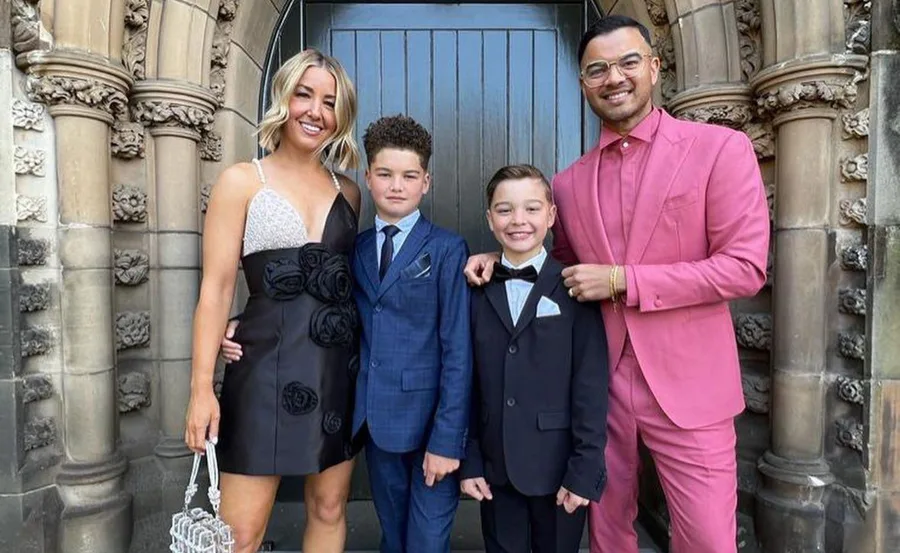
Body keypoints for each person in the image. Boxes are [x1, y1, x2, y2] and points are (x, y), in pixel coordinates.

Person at [464, 16, 770, 553]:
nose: (615, 78)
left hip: (689, 387)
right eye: (597, 69)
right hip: (596, 391)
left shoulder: (719, 149)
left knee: (707, 540)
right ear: (583, 83)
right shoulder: (568, 183)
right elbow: (551, 267)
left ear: (654, 66)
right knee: (606, 537)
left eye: (629, 62)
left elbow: (744, 267)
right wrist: (500, 253)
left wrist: (622, 281)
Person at [184, 48, 363, 553]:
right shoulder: (242, 181)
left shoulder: (348, 191)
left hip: (334, 370)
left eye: (330, 101)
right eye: (304, 94)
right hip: (262, 372)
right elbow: (216, 289)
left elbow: (345, 281)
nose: (315, 111)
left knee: (329, 508)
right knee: (239, 534)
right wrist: (201, 388)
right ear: (282, 99)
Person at [460, 164, 609, 553]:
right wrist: (471, 461)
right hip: (496, 470)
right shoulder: (474, 289)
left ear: (551, 215)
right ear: (490, 219)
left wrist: (584, 470)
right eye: (505, 209)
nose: (518, 220)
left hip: (560, 470)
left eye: (531, 208)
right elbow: (467, 384)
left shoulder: (575, 289)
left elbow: (591, 386)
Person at [350, 114, 472, 553]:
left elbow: (457, 349)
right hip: (376, 419)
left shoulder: (446, 248)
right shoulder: (358, 248)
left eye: (409, 175)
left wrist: (446, 438)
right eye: (385, 174)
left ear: (427, 181)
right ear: (367, 177)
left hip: (430, 426)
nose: (396, 185)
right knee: (393, 535)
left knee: (425, 542)